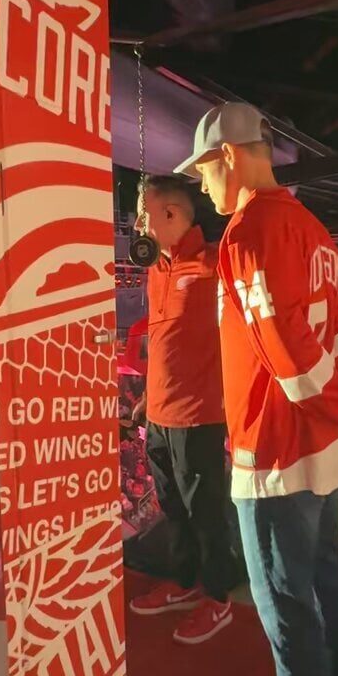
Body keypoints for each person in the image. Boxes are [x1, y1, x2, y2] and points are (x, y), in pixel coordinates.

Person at [174, 102, 338, 676]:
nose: (203, 186)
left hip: (274, 451)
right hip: (322, 447)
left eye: (205, 171)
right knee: (327, 580)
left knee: (286, 606)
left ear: (229, 156)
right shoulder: (311, 227)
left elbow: (288, 356)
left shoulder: (249, 231)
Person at [129, 174, 234, 645]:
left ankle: (219, 598)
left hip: (200, 413)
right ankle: (185, 582)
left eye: (143, 214)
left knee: (206, 513)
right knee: (172, 507)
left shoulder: (216, 264)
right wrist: (148, 398)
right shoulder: (156, 268)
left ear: (171, 214)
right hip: (159, 413)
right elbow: (162, 339)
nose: (138, 225)